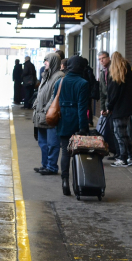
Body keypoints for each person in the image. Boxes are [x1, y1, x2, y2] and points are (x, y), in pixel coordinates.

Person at [53, 55, 89, 195]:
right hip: (75, 121)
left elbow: (55, 102)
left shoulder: (59, 82)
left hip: (62, 120)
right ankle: (77, 182)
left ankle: (64, 181)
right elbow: (82, 108)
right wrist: (83, 127)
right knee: (77, 153)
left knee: (65, 151)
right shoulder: (83, 83)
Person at [33, 53, 64, 175]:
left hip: (49, 115)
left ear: (53, 62)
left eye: (47, 61)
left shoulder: (59, 76)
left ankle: (52, 167)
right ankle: (45, 164)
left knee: (52, 143)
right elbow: (40, 92)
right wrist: (36, 104)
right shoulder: (46, 76)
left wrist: (46, 109)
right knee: (43, 143)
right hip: (40, 115)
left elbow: (55, 95)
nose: (44, 63)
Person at [107, 52, 132, 167]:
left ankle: (123, 158)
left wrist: (109, 106)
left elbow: (114, 94)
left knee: (119, 134)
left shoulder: (116, 76)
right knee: (125, 133)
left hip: (119, 108)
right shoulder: (127, 72)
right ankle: (131, 156)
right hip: (128, 107)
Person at [98, 51, 120, 159]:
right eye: (99, 59)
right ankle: (114, 151)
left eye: (103, 58)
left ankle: (119, 152)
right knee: (110, 129)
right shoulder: (102, 72)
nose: (101, 60)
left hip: (114, 105)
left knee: (116, 130)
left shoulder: (114, 70)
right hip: (107, 104)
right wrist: (102, 108)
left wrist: (109, 106)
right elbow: (102, 93)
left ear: (109, 58)